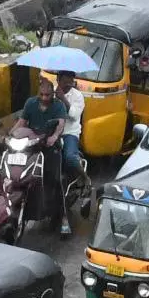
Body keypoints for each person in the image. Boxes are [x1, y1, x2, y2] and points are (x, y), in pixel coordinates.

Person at [19, 74, 70, 196]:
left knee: (53, 179)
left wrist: (54, 137)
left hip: (50, 144)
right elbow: (21, 123)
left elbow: (60, 125)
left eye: (47, 95)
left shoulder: (59, 105)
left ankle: (58, 209)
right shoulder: (30, 103)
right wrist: (10, 135)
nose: (44, 97)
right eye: (41, 94)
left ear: (52, 94)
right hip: (31, 143)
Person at [54, 69, 86, 235]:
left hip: (69, 133)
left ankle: (85, 179)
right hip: (51, 133)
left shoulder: (77, 96)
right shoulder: (49, 91)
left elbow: (73, 116)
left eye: (70, 81)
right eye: (64, 80)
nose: (67, 84)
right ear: (58, 79)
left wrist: (63, 99)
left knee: (69, 159)